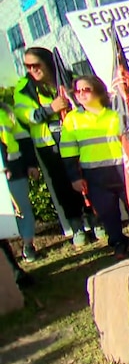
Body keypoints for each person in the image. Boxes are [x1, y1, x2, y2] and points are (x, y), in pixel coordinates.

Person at [13, 46, 95, 247]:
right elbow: (26, 116)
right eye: (27, 67)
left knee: (86, 177)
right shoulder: (23, 87)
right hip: (50, 145)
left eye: (35, 65)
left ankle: (95, 219)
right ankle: (76, 226)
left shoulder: (69, 77)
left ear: (47, 61)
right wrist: (51, 108)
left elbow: (90, 99)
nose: (32, 70)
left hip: (78, 137)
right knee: (63, 185)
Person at [60, 76, 129, 259]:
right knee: (108, 214)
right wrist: (75, 177)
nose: (81, 94)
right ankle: (118, 243)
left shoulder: (115, 113)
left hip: (123, 170)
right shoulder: (72, 119)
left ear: (97, 90)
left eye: (86, 89)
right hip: (95, 176)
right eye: (78, 91)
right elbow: (68, 152)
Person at [0, 102, 38, 263]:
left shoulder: (7, 113)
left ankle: (28, 246)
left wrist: (30, 164)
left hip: (14, 171)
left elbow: (24, 140)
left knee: (22, 209)